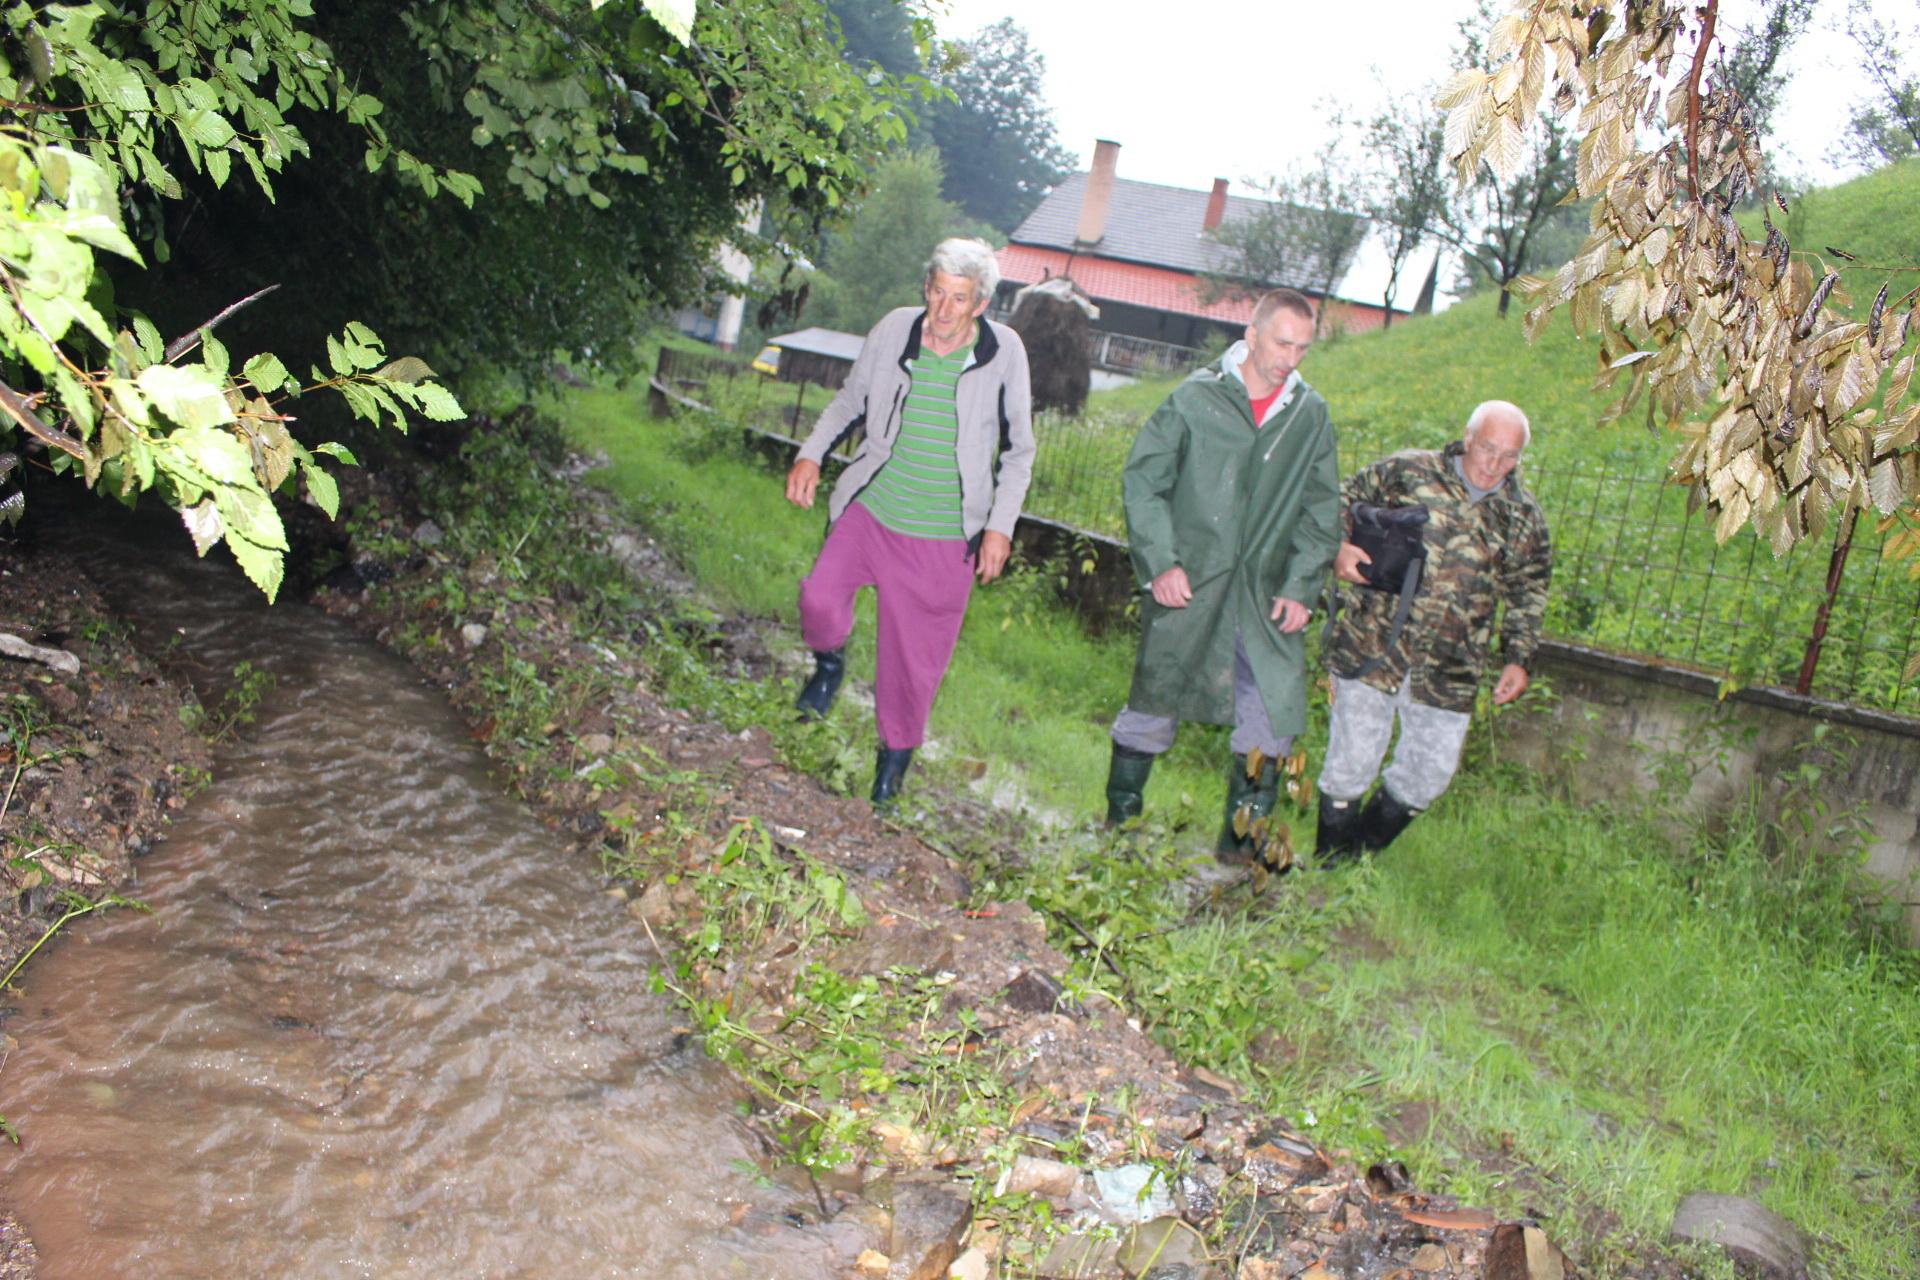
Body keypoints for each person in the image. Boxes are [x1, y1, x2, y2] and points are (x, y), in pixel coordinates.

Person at [784, 237, 1035, 807]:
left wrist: (1000, 527)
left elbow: (1020, 450)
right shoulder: (895, 329)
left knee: (912, 666)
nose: (943, 310)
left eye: (959, 299)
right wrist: (811, 453)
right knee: (820, 600)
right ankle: (828, 665)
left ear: (981, 305)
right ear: (927, 287)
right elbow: (850, 401)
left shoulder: (1005, 353)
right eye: (937, 293)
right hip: (873, 508)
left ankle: (889, 774)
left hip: (944, 537)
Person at [1104, 288, 1342, 862]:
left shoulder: (1308, 416)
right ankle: (1118, 833)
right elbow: (1145, 483)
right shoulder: (1195, 399)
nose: (1291, 357)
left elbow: (1321, 509)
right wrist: (1160, 562)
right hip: (1192, 586)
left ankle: (1238, 860)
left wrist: (1302, 585)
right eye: (1282, 342)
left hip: (1264, 598)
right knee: (1152, 704)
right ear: (1253, 334)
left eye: (1303, 348)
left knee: (1273, 719)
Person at [1315, 400, 1552, 859]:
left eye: (1509, 456)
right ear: (1467, 438)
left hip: (1451, 667)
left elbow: (1529, 592)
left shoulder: (1522, 517)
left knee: (1429, 774)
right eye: (1487, 448)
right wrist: (1338, 547)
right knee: (1351, 763)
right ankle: (1328, 871)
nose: (1494, 464)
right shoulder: (1409, 471)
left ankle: (1356, 860)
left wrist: (1519, 659)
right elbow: (1338, 498)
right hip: (1374, 646)